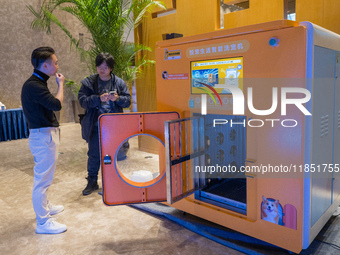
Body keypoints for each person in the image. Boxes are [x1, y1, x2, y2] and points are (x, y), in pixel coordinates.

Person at [21, 47, 66, 234]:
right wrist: (61, 84)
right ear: (45, 65)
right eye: (55, 62)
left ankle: (45, 206)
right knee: (42, 180)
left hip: (44, 134)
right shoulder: (34, 85)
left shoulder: (38, 82)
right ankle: (43, 222)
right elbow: (56, 104)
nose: (57, 65)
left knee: (45, 178)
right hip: (42, 136)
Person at [78, 52, 131, 196]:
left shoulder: (119, 83)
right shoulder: (89, 82)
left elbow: (127, 101)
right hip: (95, 125)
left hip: (113, 126)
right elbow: (82, 101)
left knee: (114, 154)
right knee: (94, 154)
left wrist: (118, 99)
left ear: (111, 68)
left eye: (106, 67)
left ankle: (114, 181)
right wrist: (97, 98)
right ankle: (92, 181)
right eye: (100, 66)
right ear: (96, 67)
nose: (102, 69)